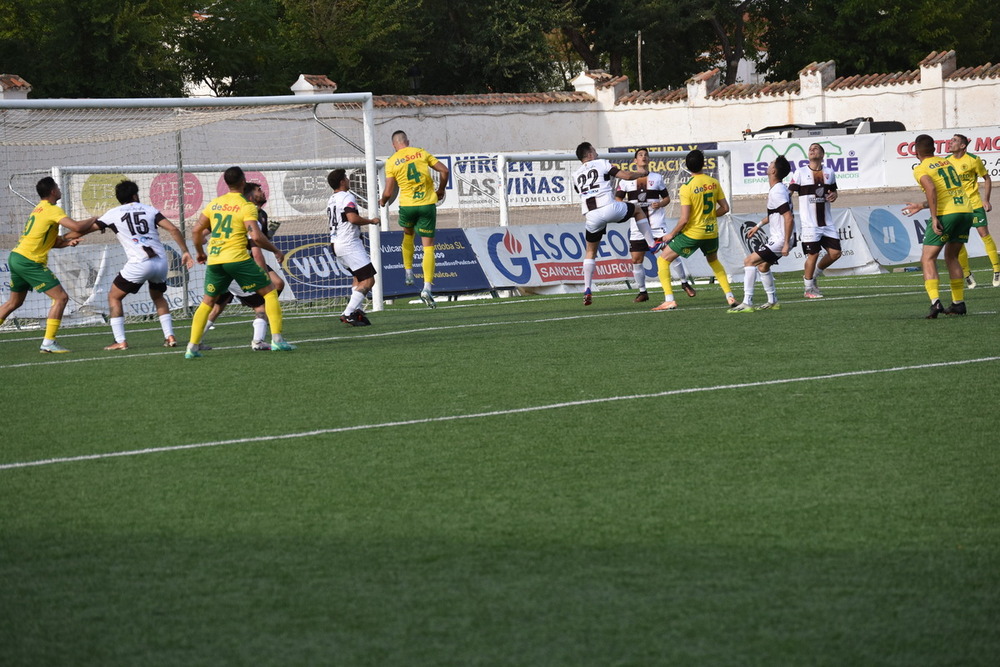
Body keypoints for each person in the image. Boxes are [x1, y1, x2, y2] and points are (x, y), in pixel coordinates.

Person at [184, 166, 294, 358]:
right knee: (269, 292)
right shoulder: (247, 207)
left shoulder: (215, 204)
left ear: (226, 183)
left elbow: (195, 231)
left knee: (208, 302)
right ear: (243, 182)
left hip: (215, 259)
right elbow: (256, 237)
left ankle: (192, 348)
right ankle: (277, 341)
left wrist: (200, 253)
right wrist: (276, 250)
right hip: (237, 258)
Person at [87, 180, 195, 349]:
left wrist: (67, 237)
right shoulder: (149, 209)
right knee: (158, 297)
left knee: (114, 297)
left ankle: (120, 341)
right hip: (160, 262)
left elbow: (88, 228)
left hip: (139, 263)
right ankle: (170, 336)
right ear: (135, 195)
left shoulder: (113, 213)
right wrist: (185, 252)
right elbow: (173, 229)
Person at [0, 176, 96, 353]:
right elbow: (76, 226)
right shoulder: (52, 209)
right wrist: (95, 218)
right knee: (61, 298)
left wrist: (66, 243)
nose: (59, 189)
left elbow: (53, 242)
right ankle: (48, 343)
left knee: (13, 304)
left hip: (17, 257)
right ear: (53, 191)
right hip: (29, 261)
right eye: (58, 187)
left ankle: (48, 343)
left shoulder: (39, 209)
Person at [572, 141, 660, 306]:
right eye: (594, 150)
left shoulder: (575, 175)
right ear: (590, 154)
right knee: (637, 209)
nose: (597, 153)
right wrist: (640, 175)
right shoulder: (601, 163)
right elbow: (625, 176)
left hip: (591, 216)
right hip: (608, 207)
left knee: (590, 252)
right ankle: (652, 244)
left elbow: (581, 191)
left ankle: (587, 289)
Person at [200, 182, 285, 351]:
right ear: (251, 195)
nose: (262, 192)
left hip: (233, 260)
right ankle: (259, 339)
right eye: (259, 190)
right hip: (239, 263)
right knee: (263, 300)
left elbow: (258, 241)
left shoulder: (261, 215)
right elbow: (256, 249)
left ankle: (196, 341)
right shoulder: (243, 211)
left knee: (217, 305)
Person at [902, 134, 974, 318]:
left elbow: (932, 189)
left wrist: (934, 217)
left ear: (916, 151)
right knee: (952, 257)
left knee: (927, 258)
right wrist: (921, 205)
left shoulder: (921, 168)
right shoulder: (946, 162)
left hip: (946, 214)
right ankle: (958, 304)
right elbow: (945, 190)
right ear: (934, 149)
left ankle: (935, 303)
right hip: (965, 211)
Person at [653, 149, 735, 310]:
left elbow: (684, 219)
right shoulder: (713, 182)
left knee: (662, 259)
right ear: (703, 164)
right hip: (711, 232)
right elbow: (725, 208)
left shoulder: (687, 187)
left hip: (693, 233)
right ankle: (730, 297)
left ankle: (669, 299)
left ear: (687, 166)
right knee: (713, 261)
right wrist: (709, 216)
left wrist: (671, 234)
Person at [378, 130, 450, 308]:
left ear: (394, 145)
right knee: (428, 247)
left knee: (408, 236)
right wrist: (440, 190)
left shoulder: (392, 161)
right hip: (427, 205)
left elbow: (388, 191)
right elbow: (445, 170)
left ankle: (408, 272)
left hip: (408, 206)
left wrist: (383, 201)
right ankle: (427, 287)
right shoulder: (421, 152)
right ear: (407, 141)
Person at [616, 147, 696, 303]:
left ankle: (684, 282)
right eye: (640, 155)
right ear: (635, 160)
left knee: (671, 254)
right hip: (637, 227)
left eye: (646, 155)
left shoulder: (657, 178)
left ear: (649, 160)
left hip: (657, 225)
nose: (643, 157)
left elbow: (667, 199)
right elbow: (618, 199)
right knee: (636, 259)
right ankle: (642, 292)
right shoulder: (626, 179)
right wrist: (629, 207)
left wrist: (660, 203)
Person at [729, 156, 794, 312]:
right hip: (781, 237)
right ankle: (772, 301)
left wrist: (785, 243)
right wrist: (758, 226)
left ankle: (747, 302)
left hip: (781, 238)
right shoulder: (779, 189)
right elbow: (775, 214)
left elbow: (788, 217)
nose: (769, 164)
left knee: (749, 261)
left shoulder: (777, 191)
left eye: (771, 163)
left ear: (773, 170)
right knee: (763, 266)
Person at [328, 168, 380, 326]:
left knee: (358, 278)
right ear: (342, 181)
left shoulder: (331, 199)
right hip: (349, 243)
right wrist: (371, 221)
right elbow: (352, 217)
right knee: (369, 280)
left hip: (336, 243)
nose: (348, 181)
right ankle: (349, 312)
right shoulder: (347, 196)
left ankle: (356, 310)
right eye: (346, 178)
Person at [947, 133, 1000, 288]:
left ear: (963, 146)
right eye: (951, 141)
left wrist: (986, 200)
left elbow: (987, 178)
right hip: (956, 207)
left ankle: (997, 270)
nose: (950, 143)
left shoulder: (973, 160)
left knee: (984, 235)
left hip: (974, 205)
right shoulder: (946, 162)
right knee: (957, 240)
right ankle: (967, 274)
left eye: (954, 141)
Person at [789, 142, 841, 298]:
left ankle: (813, 276)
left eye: (816, 148)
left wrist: (834, 196)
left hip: (827, 223)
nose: (812, 150)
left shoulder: (829, 172)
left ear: (822, 155)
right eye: (810, 148)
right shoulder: (800, 172)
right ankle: (808, 289)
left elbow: (834, 192)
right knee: (813, 254)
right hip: (810, 224)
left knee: (836, 253)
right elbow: (788, 194)